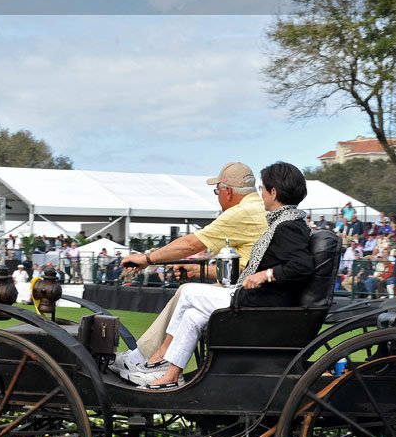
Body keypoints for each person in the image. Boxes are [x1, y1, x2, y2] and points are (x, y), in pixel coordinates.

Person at [134, 162, 316, 389]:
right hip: (260, 297)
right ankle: (171, 375)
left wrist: (265, 275)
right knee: (192, 316)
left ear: (274, 192)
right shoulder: (285, 221)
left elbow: (302, 265)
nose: (261, 195)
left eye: (263, 190)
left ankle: (157, 360)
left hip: (260, 301)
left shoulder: (288, 225)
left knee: (188, 292)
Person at [113, 161, 267, 382]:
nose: (217, 196)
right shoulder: (258, 208)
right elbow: (243, 268)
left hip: (249, 294)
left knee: (187, 291)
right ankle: (156, 362)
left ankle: (150, 358)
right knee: (190, 302)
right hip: (250, 288)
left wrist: (147, 259)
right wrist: (198, 271)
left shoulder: (241, 212)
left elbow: (190, 245)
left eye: (217, 191)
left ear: (228, 192)